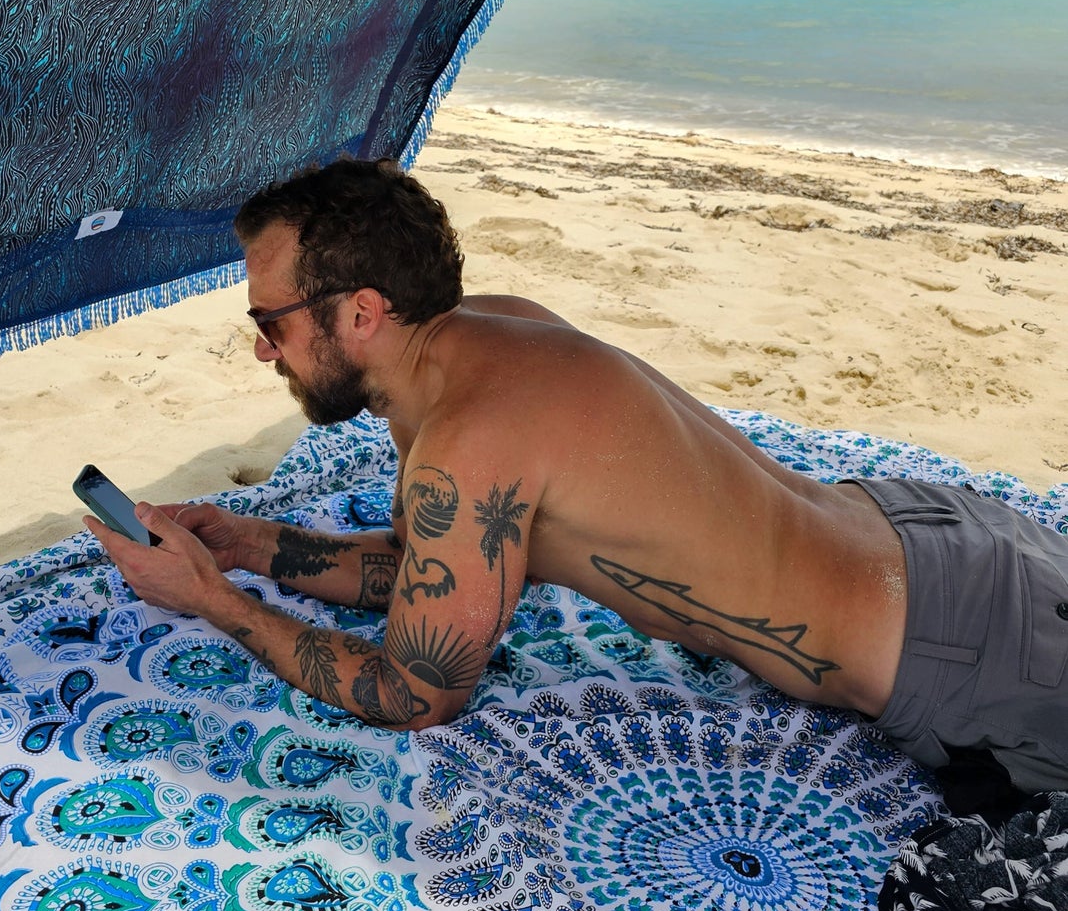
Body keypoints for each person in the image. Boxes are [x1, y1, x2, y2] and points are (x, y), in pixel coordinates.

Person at [85, 157, 1068, 795]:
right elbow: (446, 562)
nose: (264, 352)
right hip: (935, 540)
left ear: (361, 314)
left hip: (962, 652)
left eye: (273, 323)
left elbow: (416, 692)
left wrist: (216, 603)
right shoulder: (486, 339)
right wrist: (257, 546)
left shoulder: (468, 438)